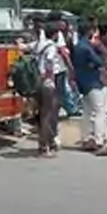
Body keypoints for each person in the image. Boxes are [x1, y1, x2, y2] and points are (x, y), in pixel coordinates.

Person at [72, 21, 107, 156]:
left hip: (83, 82)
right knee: (101, 111)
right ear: (89, 32)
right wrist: (99, 48)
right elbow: (100, 61)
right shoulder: (88, 47)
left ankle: (86, 138)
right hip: (93, 81)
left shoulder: (78, 46)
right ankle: (99, 140)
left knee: (87, 111)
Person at [36, 22, 61, 158]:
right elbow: (50, 62)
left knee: (41, 115)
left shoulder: (39, 44)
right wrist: (48, 76)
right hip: (47, 83)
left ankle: (45, 144)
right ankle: (44, 147)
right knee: (47, 116)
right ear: (55, 34)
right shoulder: (51, 46)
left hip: (37, 83)